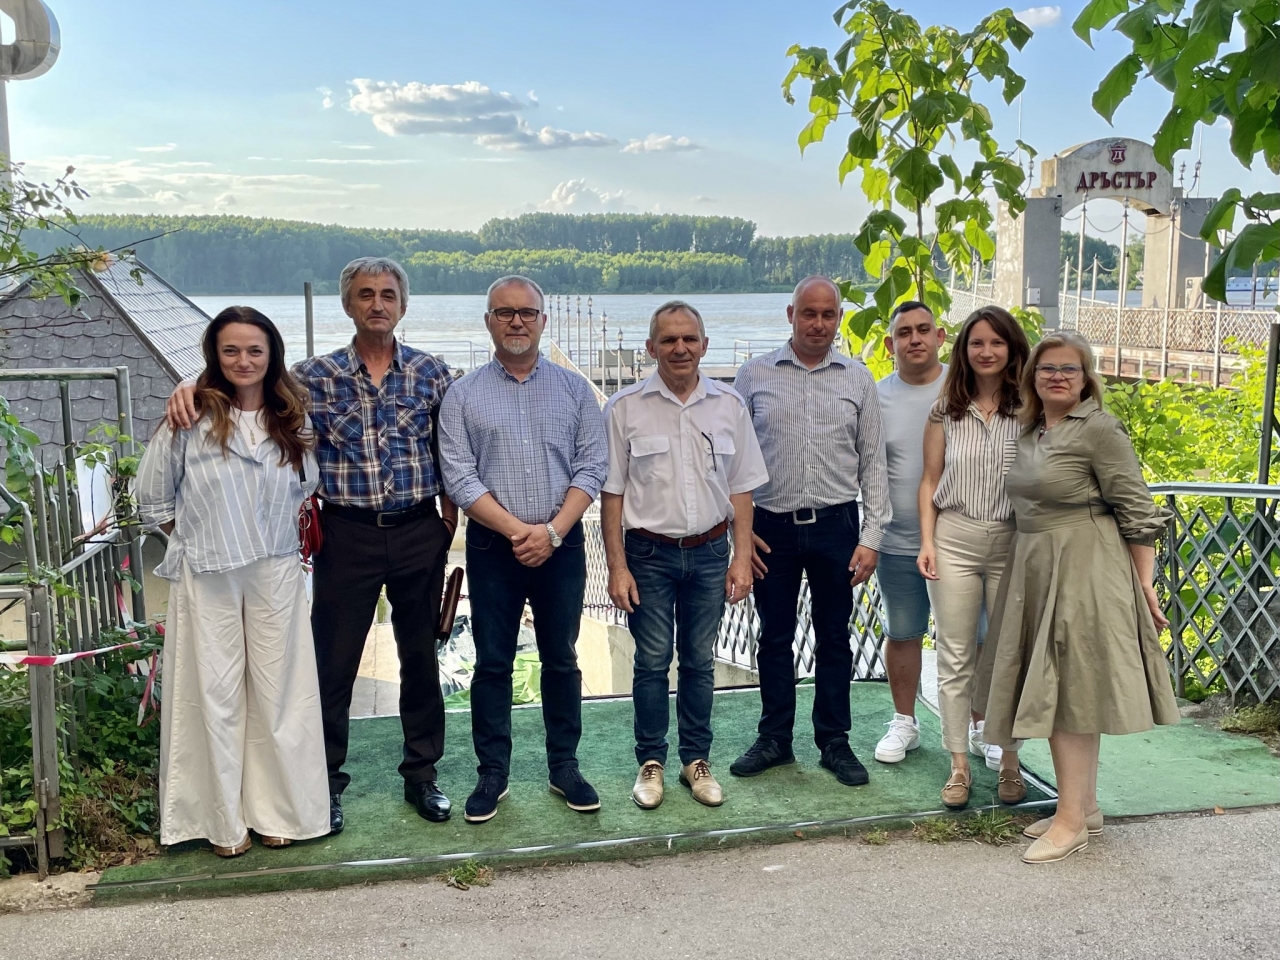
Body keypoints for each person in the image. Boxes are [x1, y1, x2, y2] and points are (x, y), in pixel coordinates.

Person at [167, 257, 458, 832]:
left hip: (418, 531)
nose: (377, 304)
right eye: (365, 294)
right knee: (332, 664)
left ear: (403, 305)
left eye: (388, 294)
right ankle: (323, 782)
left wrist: (447, 522)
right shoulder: (310, 378)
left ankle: (422, 775)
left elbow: (451, 447)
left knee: (421, 658)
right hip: (345, 534)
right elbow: (248, 383)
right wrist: (191, 383)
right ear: (347, 304)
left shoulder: (434, 374)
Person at [979, 330, 1178, 864]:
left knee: (1069, 692)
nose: (1058, 377)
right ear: (1032, 377)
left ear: (1086, 377)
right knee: (1062, 687)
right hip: (1036, 565)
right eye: (1048, 369)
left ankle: (1070, 822)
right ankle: (1083, 807)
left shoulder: (1100, 429)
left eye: (1069, 368)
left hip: (1086, 568)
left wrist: (1143, 587)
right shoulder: (1031, 430)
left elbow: (1137, 512)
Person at [138, 306, 328, 857]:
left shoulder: (292, 418)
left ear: (271, 355)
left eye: (254, 350)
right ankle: (223, 822)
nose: (243, 360)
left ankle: (279, 811)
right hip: (207, 573)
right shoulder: (189, 416)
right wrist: (199, 537)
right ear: (214, 356)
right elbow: (152, 499)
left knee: (280, 695)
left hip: (276, 570)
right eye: (231, 350)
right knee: (213, 695)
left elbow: (305, 488)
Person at [438, 275, 609, 824]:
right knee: (493, 662)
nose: (517, 321)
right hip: (494, 547)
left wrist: (553, 531)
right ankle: (493, 773)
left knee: (561, 657)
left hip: (563, 544)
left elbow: (593, 466)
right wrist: (519, 531)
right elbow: (459, 477)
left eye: (527, 312)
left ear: (542, 320)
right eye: (505, 312)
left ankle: (565, 766)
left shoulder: (575, 390)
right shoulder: (463, 395)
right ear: (488, 321)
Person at [601, 301, 768, 809]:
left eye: (689, 339)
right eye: (669, 340)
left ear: (704, 345)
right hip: (648, 555)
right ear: (650, 348)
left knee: (698, 660)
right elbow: (611, 494)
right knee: (651, 662)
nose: (680, 348)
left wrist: (742, 556)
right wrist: (617, 566)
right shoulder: (624, 408)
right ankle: (651, 762)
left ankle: (696, 761)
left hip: (711, 552)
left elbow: (742, 488)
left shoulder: (729, 405)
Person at [730, 275, 890, 787]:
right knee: (774, 636)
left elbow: (874, 464)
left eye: (828, 314)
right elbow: (729, 461)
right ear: (791, 315)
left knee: (835, 638)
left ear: (838, 318)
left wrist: (871, 538)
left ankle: (834, 741)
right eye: (809, 313)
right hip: (769, 528)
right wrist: (740, 531)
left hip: (836, 525)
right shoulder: (753, 375)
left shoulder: (857, 379)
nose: (818, 323)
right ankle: (775, 738)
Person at [916, 306, 1031, 809]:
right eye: (977, 342)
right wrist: (927, 541)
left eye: (996, 342)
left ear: (1012, 348)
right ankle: (959, 764)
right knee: (955, 654)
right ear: (963, 349)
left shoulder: (1030, 409)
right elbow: (929, 480)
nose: (986, 352)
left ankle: (1010, 760)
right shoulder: (946, 409)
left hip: (1013, 540)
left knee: (1009, 654)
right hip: (955, 538)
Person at [873, 301, 946, 764]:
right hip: (896, 539)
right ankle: (905, 722)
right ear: (890, 344)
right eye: (904, 332)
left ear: (940, 337)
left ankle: (979, 726)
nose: (914, 339)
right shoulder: (875, 396)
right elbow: (865, 468)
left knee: (974, 637)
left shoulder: (963, 389)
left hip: (960, 540)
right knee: (902, 632)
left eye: (923, 330)